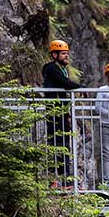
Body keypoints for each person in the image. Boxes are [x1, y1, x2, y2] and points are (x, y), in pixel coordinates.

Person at [42, 40, 81, 188]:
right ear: (55, 54)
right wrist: (79, 87)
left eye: (67, 54)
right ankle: (54, 180)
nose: (66, 56)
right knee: (56, 144)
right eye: (63, 54)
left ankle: (65, 180)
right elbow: (65, 83)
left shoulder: (61, 69)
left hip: (62, 112)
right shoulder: (51, 68)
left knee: (65, 145)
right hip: (54, 112)